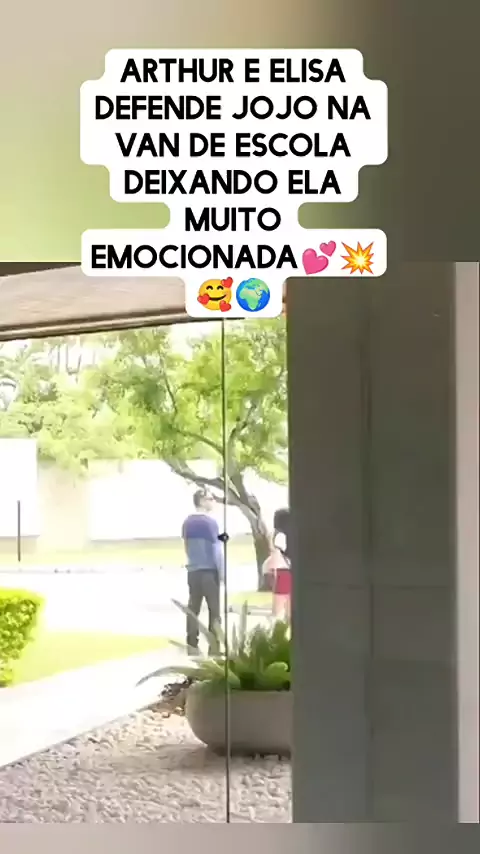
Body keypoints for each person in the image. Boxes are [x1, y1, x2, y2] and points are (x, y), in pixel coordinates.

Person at [181, 488, 223, 654]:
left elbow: (186, 546)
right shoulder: (210, 523)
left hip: (193, 571)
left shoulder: (187, 522)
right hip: (209, 571)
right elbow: (216, 549)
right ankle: (215, 644)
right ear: (202, 501)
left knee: (193, 607)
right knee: (214, 610)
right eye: (210, 499)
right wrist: (222, 572)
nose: (213, 502)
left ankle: (192, 641)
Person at [262, 507, 291, 620]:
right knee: (289, 610)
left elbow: (277, 555)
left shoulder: (279, 536)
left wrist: (269, 570)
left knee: (276, 611)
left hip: (282, 572)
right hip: (291, 571)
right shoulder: (290, 534)